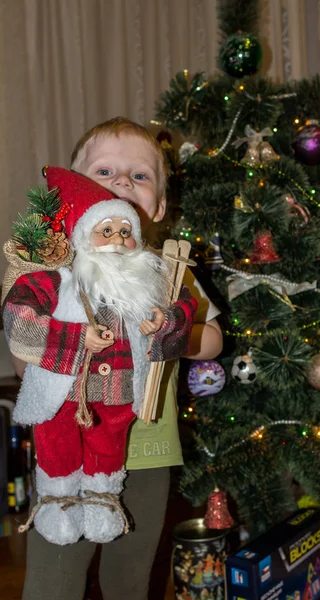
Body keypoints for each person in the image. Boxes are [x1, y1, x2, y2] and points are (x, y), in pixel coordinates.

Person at [14, 117, 223, 600]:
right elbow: (25, 346)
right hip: (67, 453)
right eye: (104, 172)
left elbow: (212, 338)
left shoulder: (167, 271)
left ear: (159, 206)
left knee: (131, 573)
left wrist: (176, 336)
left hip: (147, 447)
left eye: (140, 176)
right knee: (55, 574)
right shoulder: (57, 272)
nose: (122, 182)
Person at [3, 166, 198, 547]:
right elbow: (18, 315)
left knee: (108, 446)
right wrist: (75, 339)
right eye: (105, 230)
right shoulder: (59, 278)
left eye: (125, 231)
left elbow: (185, 309)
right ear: (81, 237)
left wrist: (164, 320)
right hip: (62, 392)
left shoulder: (147, 280)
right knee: (56, 441)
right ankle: (57, 501)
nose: (118, 239)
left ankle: (103, 501)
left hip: (119, 392)